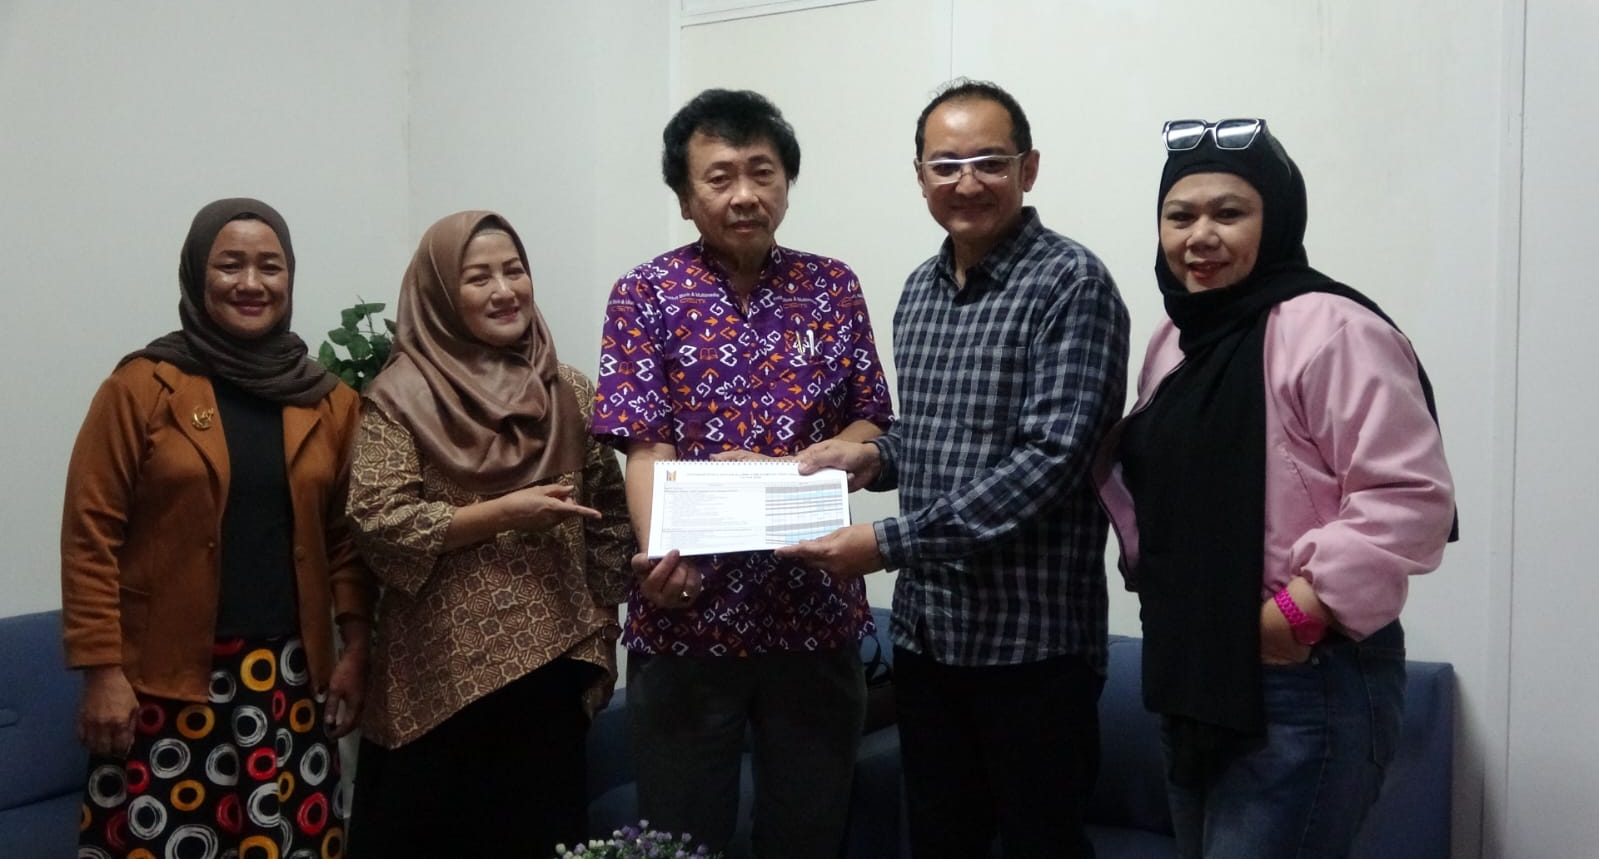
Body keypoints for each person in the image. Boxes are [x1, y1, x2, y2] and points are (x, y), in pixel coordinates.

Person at [780, 80, 1130, 859]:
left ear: (1027, 168)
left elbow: (1049, 460)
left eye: (988, 162)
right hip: (927, 638)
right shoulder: (918, 291)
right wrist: (872, 455)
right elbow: (938, 436)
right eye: (945, 165)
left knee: (1043, 846)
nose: (966, 182)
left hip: (1033, 646)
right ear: (919, 176)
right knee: (940, 842)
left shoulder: (1071, 283)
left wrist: (886, 544)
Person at [1094, 119, 1457, 858]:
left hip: (1301, 675)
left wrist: (1296, 613)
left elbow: (1409, 497)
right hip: (1192, 669)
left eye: (1229, 213)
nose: (1200, 236)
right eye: (1179, 216)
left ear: (1278, 218)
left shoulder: (1333, 329)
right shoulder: (1176, 339)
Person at [591, 88, 894, 858]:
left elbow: (868, 421)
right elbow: (644, 443)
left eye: (762, 172)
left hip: (814, 612)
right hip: (687, 615)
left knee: (807, 834)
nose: (745, 194)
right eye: (719, 177)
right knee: (679, 840)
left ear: (786, 183)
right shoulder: (645, 293)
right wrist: (660, 555)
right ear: (684, 198)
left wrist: (808, 461)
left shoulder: (832, 287)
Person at [61, 197, 373, 858]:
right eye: (230, 265)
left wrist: (355, 647)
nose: (251, 283)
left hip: (288, 681)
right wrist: (100, 670)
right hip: (162, 681)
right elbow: (90, 534)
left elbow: (344, 540)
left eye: (270, 266)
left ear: (290, 276)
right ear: (197, 274)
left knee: (285, 841)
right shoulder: (141, 387)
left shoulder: (330, 401)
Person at [346, 211, 634, 859]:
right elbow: (378, 518)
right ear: (440, 295)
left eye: (514, 271)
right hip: (435, 680)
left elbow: (611, 521)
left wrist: (605, 629)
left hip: (553, 668)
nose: (504, 290)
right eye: (478, 278)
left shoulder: (569, 391)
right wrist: (502, 514)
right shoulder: (398, 396)